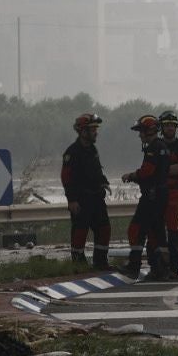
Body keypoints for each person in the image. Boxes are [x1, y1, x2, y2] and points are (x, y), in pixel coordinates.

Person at [120, 114, 173, 280]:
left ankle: (133, 266)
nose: (139, 135)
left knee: (136, 229)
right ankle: (161, 269)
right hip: (159, 195)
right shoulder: (163, 146)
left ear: (149, 131)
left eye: (141, 131)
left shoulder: (154, 148)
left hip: (151, 197)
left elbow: (148, 171)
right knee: (157, 233)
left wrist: (132, 175)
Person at [61, 112, 111, 269]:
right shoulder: (72, 152)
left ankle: (100, 262)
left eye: (96, 128)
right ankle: (78, 264)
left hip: (97, 198)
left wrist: (103, 182)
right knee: (80, 231)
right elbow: (66, 178)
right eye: (92, 129)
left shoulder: (93, 150)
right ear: (83, 131)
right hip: (81, 200)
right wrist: (72, 200)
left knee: (104, 228)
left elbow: (97, 171)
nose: (96, 132)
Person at [158, 111, 178, 271]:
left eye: (172, 125)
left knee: (173, 229)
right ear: (161, 127)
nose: (170, 128)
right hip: (158, 192)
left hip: (175, 193)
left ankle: (174, 265)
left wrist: (159, 169)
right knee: (156, 229)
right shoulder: (155, 145)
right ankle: (158, 264)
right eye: (166, 125)